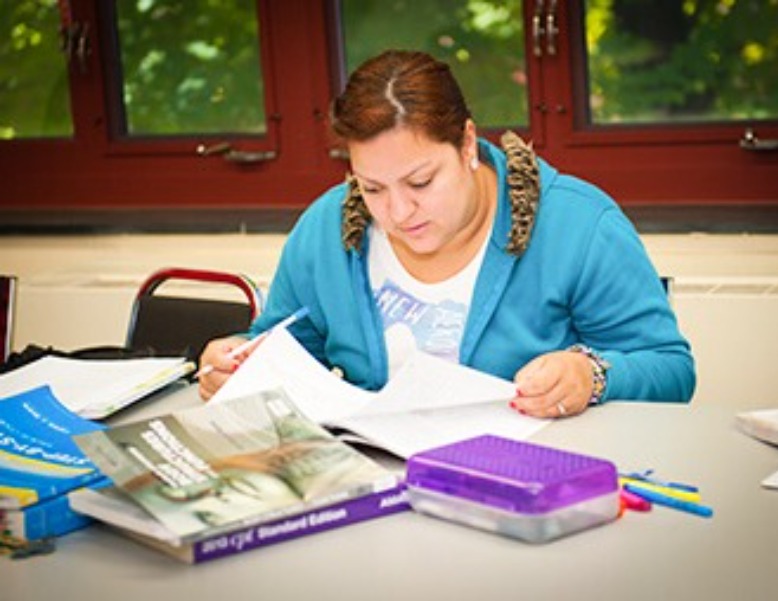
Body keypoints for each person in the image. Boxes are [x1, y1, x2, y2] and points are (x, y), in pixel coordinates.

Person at [198, 49, 695, 418]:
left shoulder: (577, 225)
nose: (397, 211)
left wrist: (592, 377)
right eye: (371, 187)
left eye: (420, 182)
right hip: (380, 492)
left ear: (468, 145)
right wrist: (236, 361)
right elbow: (284, 344)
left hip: (530, 488)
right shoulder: (327, 229)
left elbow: (671, 368)